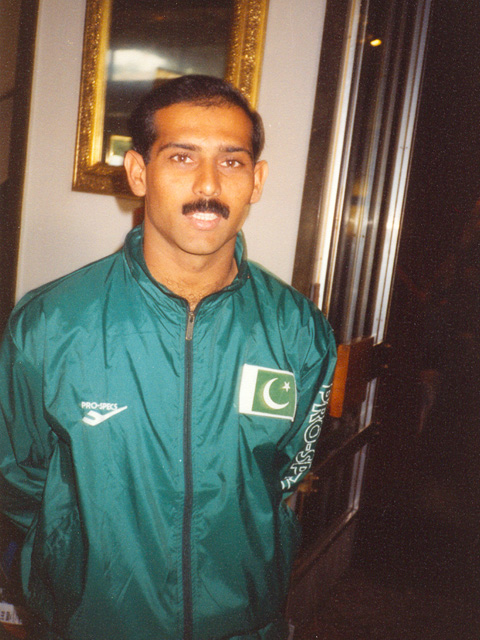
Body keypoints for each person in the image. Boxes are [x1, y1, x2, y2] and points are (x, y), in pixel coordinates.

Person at [0, 75, 337, 640]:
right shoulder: (51, 323)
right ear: (138, 173)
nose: (208, 185)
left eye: (231, 162)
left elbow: (285, 475)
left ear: (256, 180)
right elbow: (16, 477)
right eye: (182, 157)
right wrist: (72, 557)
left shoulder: (300, 331)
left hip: (244, 625)